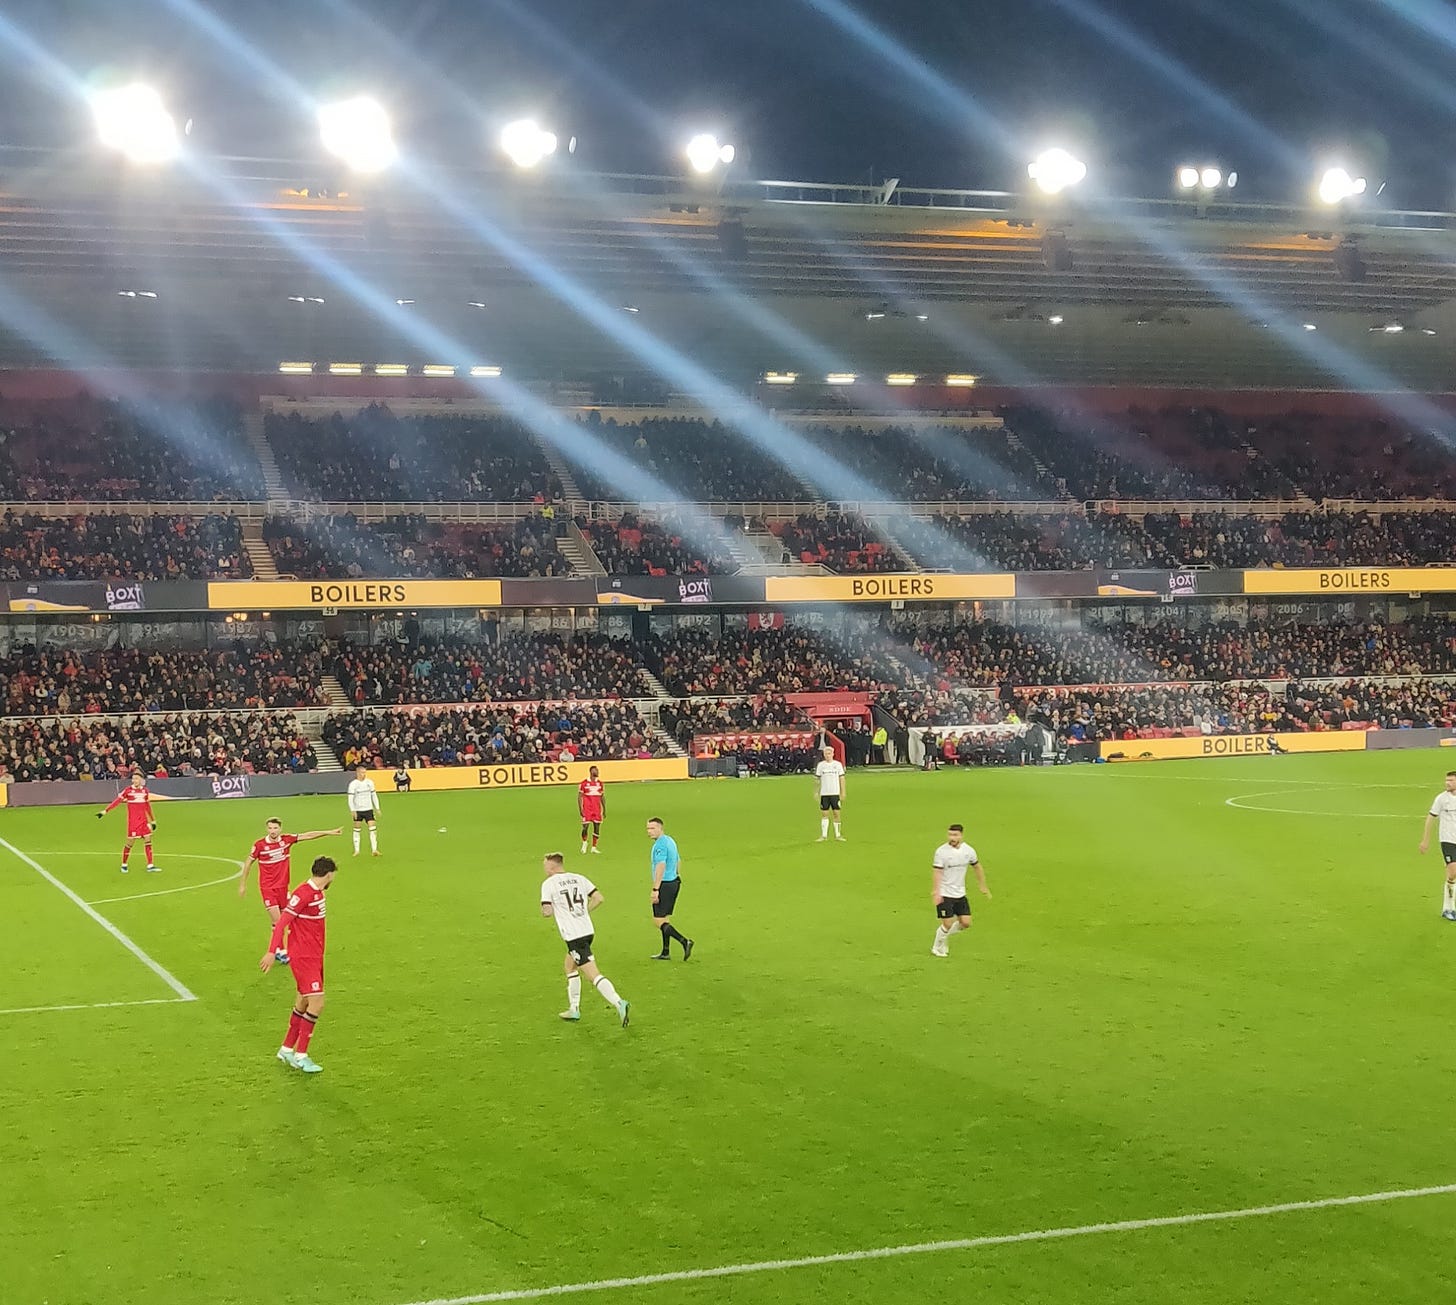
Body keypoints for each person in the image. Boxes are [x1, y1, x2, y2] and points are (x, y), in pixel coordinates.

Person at [259, 856, 338, 1073]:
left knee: (303, 1001)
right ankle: (302, 1055)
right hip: (304, 957)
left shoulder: (316, 893)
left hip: (314, 955)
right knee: (317, 1002)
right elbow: (281, 923)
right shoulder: (304, 894)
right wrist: (271, 951)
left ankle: (286, 1049)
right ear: (329, 874)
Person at [539, 852, 630, 1026]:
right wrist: (583, 912)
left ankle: (619, 1002)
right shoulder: (579, 878)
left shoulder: (549, 884)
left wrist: (547, 912)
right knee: (569, 966)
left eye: (545, 865)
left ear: (551, 866)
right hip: (587, 931)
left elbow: (547, 911)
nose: (544, 869)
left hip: (574, 936)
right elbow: (599, 898)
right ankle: (574, 1008)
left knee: (593, 975)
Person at [239, 818, 342, 963]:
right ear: (267, 829)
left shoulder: (287, 840)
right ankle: (280, 951)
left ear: (280, 829)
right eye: (270, 828)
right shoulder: (260, 845)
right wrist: (242, 884)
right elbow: (249, 861)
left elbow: (308, 835)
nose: (273, 831)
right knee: (278, 920)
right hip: (268, 889)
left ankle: (281, 948)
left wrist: (328, 832)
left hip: (283, 888)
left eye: (275, 828)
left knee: (287, 920)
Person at [930, 823, 991, 957]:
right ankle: (936, 947)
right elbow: (937, 872)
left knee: (966, 923)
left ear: (961, 836)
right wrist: (936, 891)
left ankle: (943, 937)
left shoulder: (968, 851)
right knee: (947, 923)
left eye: (955, 835)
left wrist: (982, 885)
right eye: (950, 834)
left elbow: (977, 866)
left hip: (960, 893)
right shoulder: (941, 852)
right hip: (945, 893)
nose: (952, 837)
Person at [647, 816, 694, 960]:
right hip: (674, 882)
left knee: (658, 921)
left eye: (653, 828)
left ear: (661, 828)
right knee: (665, 919)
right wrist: (677, 874)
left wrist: (656, 889)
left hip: (665, 885)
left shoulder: (660, 845)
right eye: (648, 828)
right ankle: (665, 952)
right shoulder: (670, 840)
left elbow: (661, 866)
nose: (649, 831)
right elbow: (678, 860)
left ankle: (684, 941)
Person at [97, 770, 158, 875]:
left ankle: (150, 865)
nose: (134, 780)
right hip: (133, 822)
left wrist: (152, 820)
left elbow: (147, 806)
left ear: (141, 780)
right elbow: (117, 801)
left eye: (137, 778)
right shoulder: (128, 791)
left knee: (148, 840)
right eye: (133, 778)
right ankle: (124, 864)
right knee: (130, 843)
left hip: (143, 821)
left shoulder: (145, 791)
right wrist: (105, 810)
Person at [1418, 770, 1456, 921]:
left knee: (1453, 874)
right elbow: (1430, 818)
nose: (1447, 783)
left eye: (1451, 781)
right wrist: (1425, 840)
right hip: (1447, 840)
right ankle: (1448, 907)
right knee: (1453, 872)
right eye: (1446, 780)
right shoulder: (1441, 799)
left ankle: (1448, 907)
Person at [814, 745, 846, 842]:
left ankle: (838, 835)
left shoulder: (838, 765)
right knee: (824, 814)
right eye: (826, 754)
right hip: (824, 793)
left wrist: (843, 791)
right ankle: (824, 836)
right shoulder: (821, 765)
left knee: (836, 813)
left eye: (829, 753)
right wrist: (816, 791)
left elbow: (842, 778)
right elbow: (817, 779)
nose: (827, 756)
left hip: (835, 793)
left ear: (833, 754)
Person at [346, 764, 381, 857]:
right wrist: (352, 810)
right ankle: (356, 850)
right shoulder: (353, 784)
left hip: (368, 809)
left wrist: (377, 808)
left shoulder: (369, 782)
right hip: (358, 810)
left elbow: (374, 795)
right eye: (362, 773)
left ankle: (374, 849)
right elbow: (350, 798)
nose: (364, 774)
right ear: (357, 773)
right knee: (357, 829)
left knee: (372, 829)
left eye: (365, 773)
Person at [578, 764, 606, 854]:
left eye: (597, 770)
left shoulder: (600, 783)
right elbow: (579, 797)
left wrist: (604, 809)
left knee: (597, 827)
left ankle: (594, 847)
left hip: (597, 809)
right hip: (587, 809)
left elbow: (602, 796)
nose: (597, 772)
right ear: (591, 772)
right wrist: (580, 809)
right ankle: (584, 843)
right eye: (595, 770)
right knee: (585, 827)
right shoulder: (584, 783)